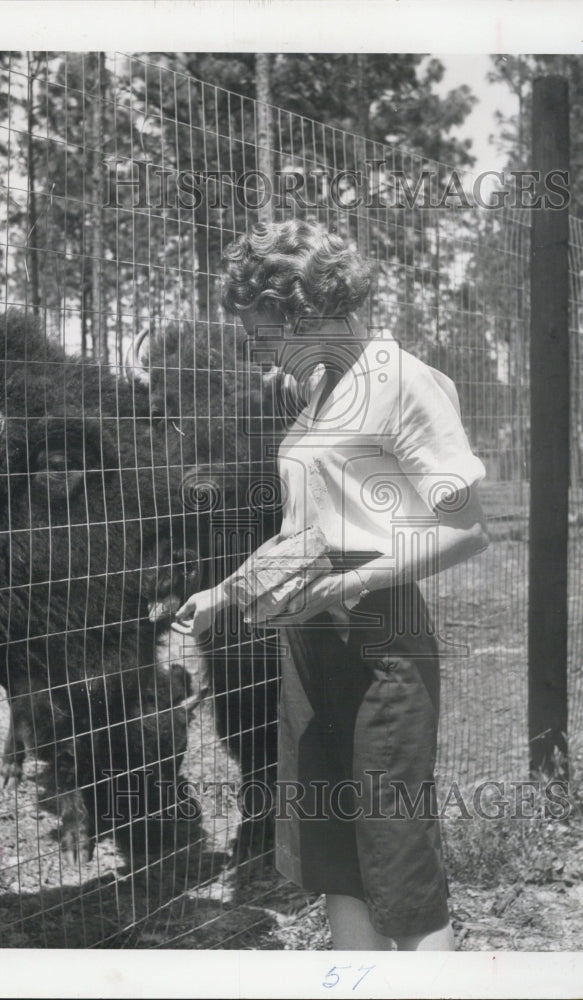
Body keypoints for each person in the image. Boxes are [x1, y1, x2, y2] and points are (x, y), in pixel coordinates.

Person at [174, 219, 489, 951]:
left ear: (304, 313)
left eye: (263, 335)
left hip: (381, 640)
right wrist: (227, 591)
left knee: (395, 852)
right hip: (311, 639)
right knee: (335, 855)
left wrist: (358, 581)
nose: (258, 353)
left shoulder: (404, 382)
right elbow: (308, 530)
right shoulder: (320, 390)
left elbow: (468, 528)